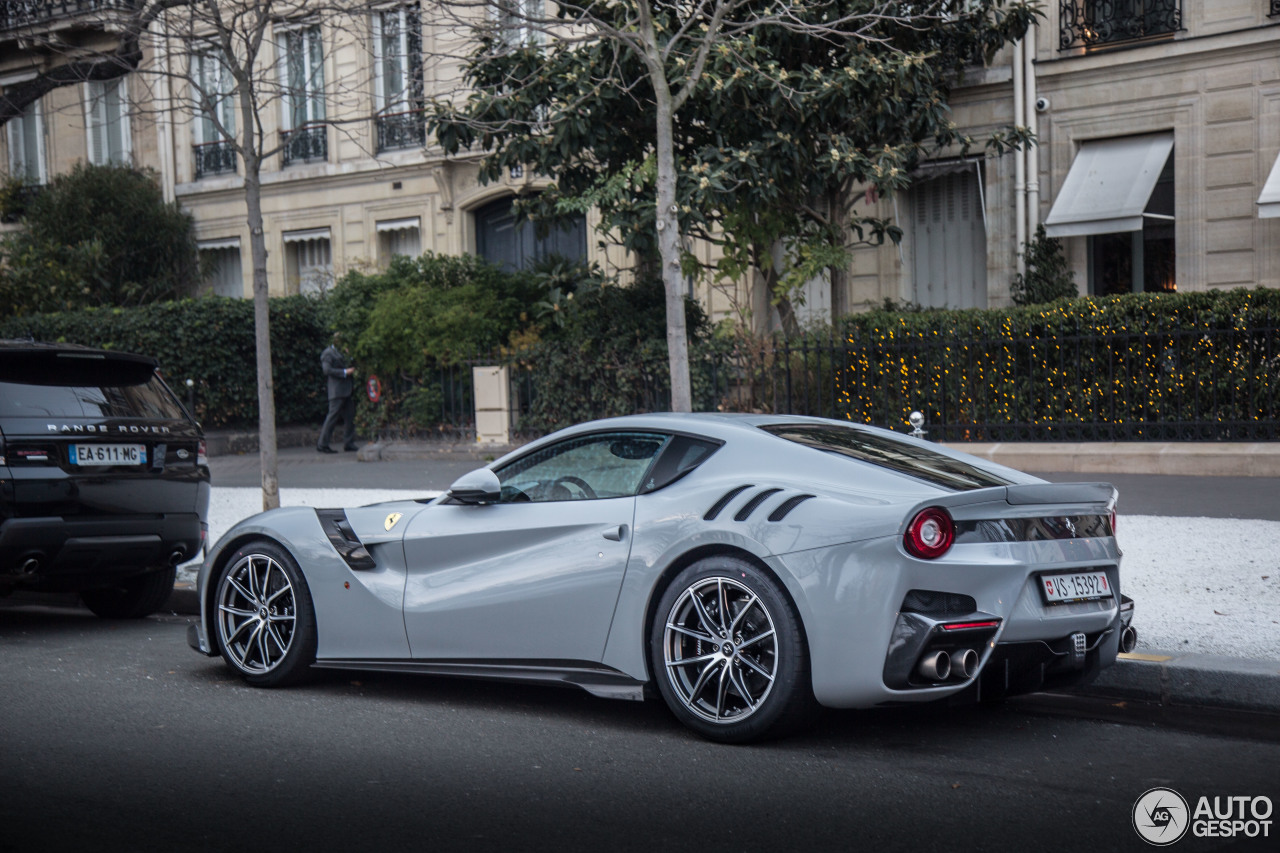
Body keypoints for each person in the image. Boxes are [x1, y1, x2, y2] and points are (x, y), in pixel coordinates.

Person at [318, 332, 358, 453]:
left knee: (350, 416)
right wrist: (345, 372)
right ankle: (322, 444)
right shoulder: (328, 353)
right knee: (332, 417)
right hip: (337, 390)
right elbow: (327, 370)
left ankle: (348, 442)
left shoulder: (345, 352)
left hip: (347, 390)